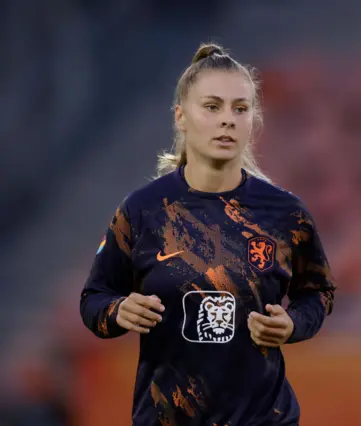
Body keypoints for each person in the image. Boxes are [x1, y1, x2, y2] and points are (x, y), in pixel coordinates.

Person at [80, 43, 336, 426]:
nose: (228, 120)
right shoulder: (143, 211)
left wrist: (293, 323)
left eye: (241, 108)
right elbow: (93, 299)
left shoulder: (285, 214)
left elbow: (318, 293)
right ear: (181, 116)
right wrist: (119, 312)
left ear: (253, 119)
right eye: (212, 107)